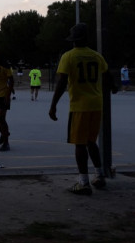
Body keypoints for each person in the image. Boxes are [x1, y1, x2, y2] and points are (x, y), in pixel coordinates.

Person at [49, 23, 117, 195]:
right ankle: (99, 174)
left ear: (72, 40)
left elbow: (62, 82)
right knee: (90, 142)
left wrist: (53, 105)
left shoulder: (68, 57)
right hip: (96, 105)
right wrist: (114, 87)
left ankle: (83, 182)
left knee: (79, 144)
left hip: (79, 106)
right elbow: (107, 77)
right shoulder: (96, 56)